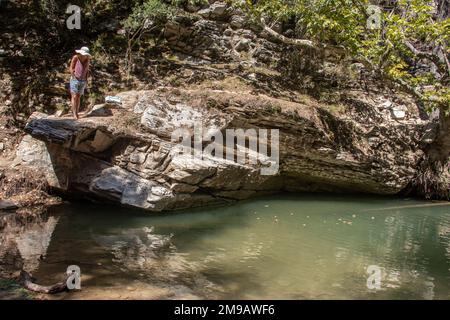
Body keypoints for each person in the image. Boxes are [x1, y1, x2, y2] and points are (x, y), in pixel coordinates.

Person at [69, 46, 91, 119]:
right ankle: (74, 114)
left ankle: (77, 113)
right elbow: (71, 68)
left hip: (83, 80)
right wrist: (73, 76)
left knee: (78, 97)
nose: (85, 56)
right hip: (75, 79)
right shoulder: (76, 57)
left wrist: (86, 80)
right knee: (74, 96)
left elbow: (87, 70)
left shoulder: (87, 59)